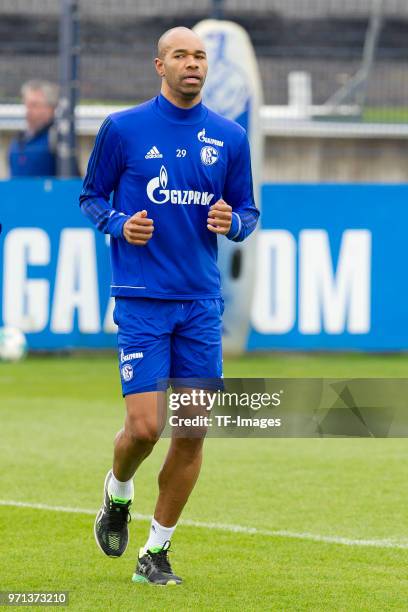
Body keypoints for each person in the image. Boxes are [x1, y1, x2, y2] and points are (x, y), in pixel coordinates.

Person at [79, 26, 259, 586]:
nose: (193, 64)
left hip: (201, 303)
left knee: (192, 430)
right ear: (158, 64)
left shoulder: (228, 137)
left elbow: (249, 212)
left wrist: (234, 223)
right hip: (142, 299)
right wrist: (116, 223)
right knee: (144, 428)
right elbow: (90, 197)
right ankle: (118, 491)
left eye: (200, 56)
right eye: (181, 55)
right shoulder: (124, 129)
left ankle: (155, 553)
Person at [8, 80, 59, 177]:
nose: (28, 110)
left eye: (34, 105)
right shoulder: (18, 141)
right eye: (27, 105)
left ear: (51, 108)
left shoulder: (57, 140)